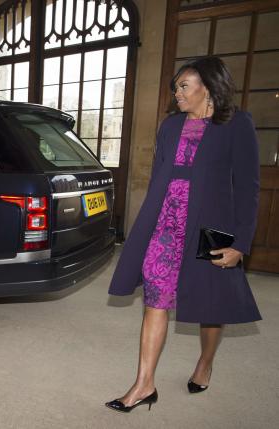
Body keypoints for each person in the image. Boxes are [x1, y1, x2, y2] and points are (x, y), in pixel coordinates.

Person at [105, 56, 261, 412]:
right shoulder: (171, 125)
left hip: (211, 229)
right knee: (155, 298)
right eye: (176, 87)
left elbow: (249, 187)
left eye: (183, 86)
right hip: (165, 225)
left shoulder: (237, 125)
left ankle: (205, 363)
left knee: (211, 305)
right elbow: (162, 174)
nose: (177, 93)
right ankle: (144, 384)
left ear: (207, 86)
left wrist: (241, 242)